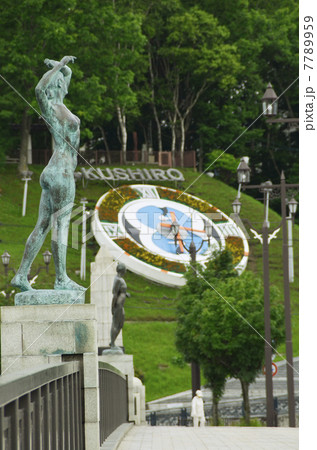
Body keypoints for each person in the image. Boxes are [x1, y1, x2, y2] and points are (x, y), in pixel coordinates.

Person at [11, 56, 84, 292]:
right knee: (61, 225)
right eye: (61, 80)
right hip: (61, 172)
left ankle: (21, 275)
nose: (65, 82)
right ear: (57, 84)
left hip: (53, 171)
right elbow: (38, 88)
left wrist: (58, 65)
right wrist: (59, 65)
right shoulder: (51, 109)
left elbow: (69, 74)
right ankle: (61, 279)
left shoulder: (62, 104)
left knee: (42, 225)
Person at [110, 263, 130, 348]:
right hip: (118, 305)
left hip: (120, 305)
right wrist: (112, 307)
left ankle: (112, 342)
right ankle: (112, 343)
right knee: (116, 324)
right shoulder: (118, 279)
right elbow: (114, 294)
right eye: (125, 269)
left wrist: (125, 294)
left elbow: (120, 292)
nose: (125, 271)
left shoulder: (119, 279)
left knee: (120, 324)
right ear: (122, 270)